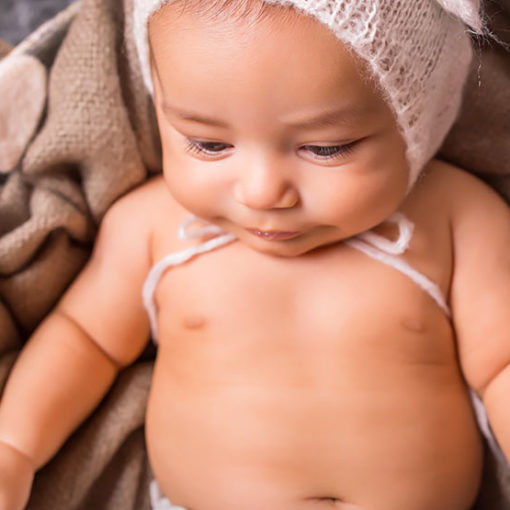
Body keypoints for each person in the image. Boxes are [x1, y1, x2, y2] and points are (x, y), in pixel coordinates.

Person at [0, 0, 509, 509]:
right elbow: (85, 338)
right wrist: (15, 446)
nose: (262, 192)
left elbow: (502, 365)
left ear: (416, 121)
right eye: (208, 144)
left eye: (326, 148)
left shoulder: (456, 220)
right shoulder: (153, 229)